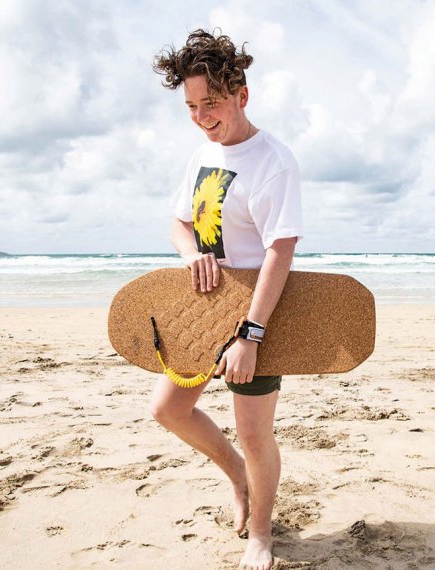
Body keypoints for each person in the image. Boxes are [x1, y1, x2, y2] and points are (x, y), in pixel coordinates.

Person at [151, 29, 303, 570]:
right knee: (168, 409)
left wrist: (251, 335)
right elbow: (178, 222)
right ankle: (237, 475)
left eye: (209, 103)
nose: (200, 116)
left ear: (241, 93)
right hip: (204, 309)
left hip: (256, 314)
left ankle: (261, 533)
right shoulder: (201, 153)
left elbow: (279, 253)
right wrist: (191, 252)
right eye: (191, 106)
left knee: (255, 431)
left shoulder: (273, 162)